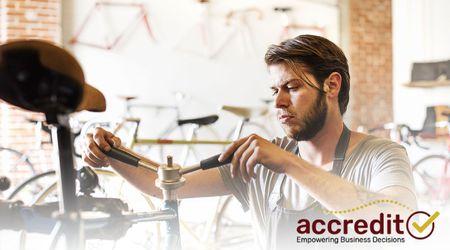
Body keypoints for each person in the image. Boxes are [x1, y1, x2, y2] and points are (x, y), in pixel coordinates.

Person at [82, 35, 416, 249]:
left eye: (293, 88)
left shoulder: (382, 156)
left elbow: (400, 223)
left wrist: (290, 163)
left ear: (332, 85)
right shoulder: (260, 162)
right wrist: (111, 151)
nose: (279, 103)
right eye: (275, 91)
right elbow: (167, 185)